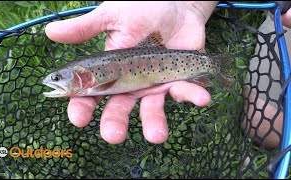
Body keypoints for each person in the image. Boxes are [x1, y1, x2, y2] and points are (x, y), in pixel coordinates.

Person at [45, 1, 291, 147]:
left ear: (80, 75)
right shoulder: (91, 80)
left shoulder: (94, 81)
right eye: (57, 78)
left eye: (57, 78)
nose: (54, 81)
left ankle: (215, 65)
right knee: (259, 127)